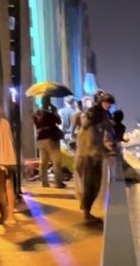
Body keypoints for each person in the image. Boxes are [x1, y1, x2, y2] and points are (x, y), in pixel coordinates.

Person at [74, 93, 113, 222]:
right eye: (106, 102)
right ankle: (86, 212)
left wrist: (106, 148)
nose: (108, 105)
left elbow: (106, 134)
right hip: (87, 156)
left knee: (95, 184)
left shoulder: (104, 117)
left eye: (109, 103)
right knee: (89, 184)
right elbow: (88, 135)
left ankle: (86, 208)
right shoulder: (90, 116)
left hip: (95, 155)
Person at [33, 96, 65, 188]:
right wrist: (54, 111)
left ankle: (44, 182)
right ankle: (58, 182)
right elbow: (59, 121)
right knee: (56, 161)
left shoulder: (36, 114)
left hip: (40, 139)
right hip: (51, 139)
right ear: (48, 102)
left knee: (43, 161)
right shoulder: (49, 114)